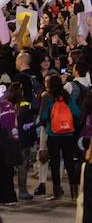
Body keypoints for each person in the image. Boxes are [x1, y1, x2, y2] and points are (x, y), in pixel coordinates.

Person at [39, 72, 80, 200]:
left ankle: (57, 193)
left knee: (55, 163)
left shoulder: (47, 97)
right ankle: (74, 193)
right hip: (68, 134)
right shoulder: (67, 96)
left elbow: (43, 116)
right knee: (69, 162)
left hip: (53, 134)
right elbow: (77, 113)